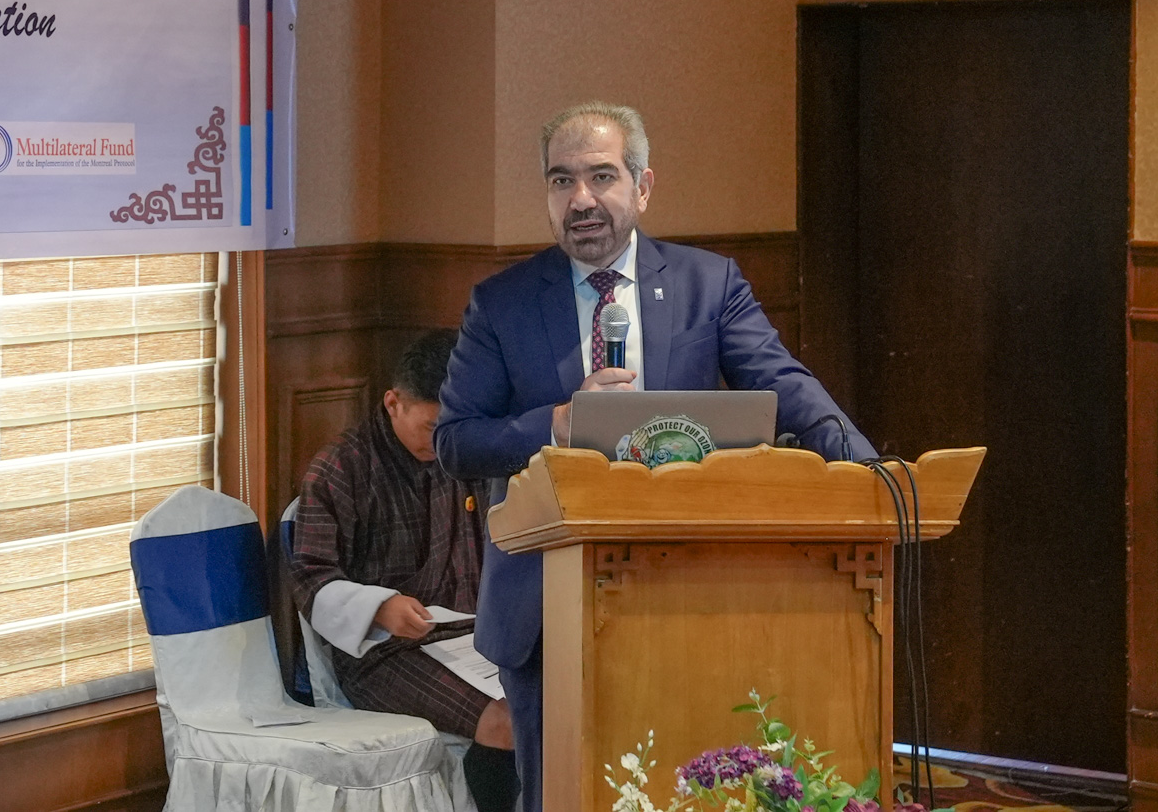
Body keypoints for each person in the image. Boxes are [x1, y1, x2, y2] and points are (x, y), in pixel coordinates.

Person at [433, 101, 876, 812]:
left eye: (601, 177)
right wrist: (558, 420)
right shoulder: (503, 304)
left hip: (690, 590)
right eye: (560, 181)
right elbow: (455, 440)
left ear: (642, 188)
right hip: (546, 604)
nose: (580, 200)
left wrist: (866, 470)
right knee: (558, 795)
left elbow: (783, 385)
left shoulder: (710, 283)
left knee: (682, 782)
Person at [290, 329, 522, 812]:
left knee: (560, 698)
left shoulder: (464, 448)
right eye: (430, 427)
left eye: (452, 426)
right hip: (384, 651)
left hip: (473, 635)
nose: (441, 443)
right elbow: (310, 578)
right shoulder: (340, 469)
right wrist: (379, 607)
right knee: (507, 723)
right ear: (393, 402)